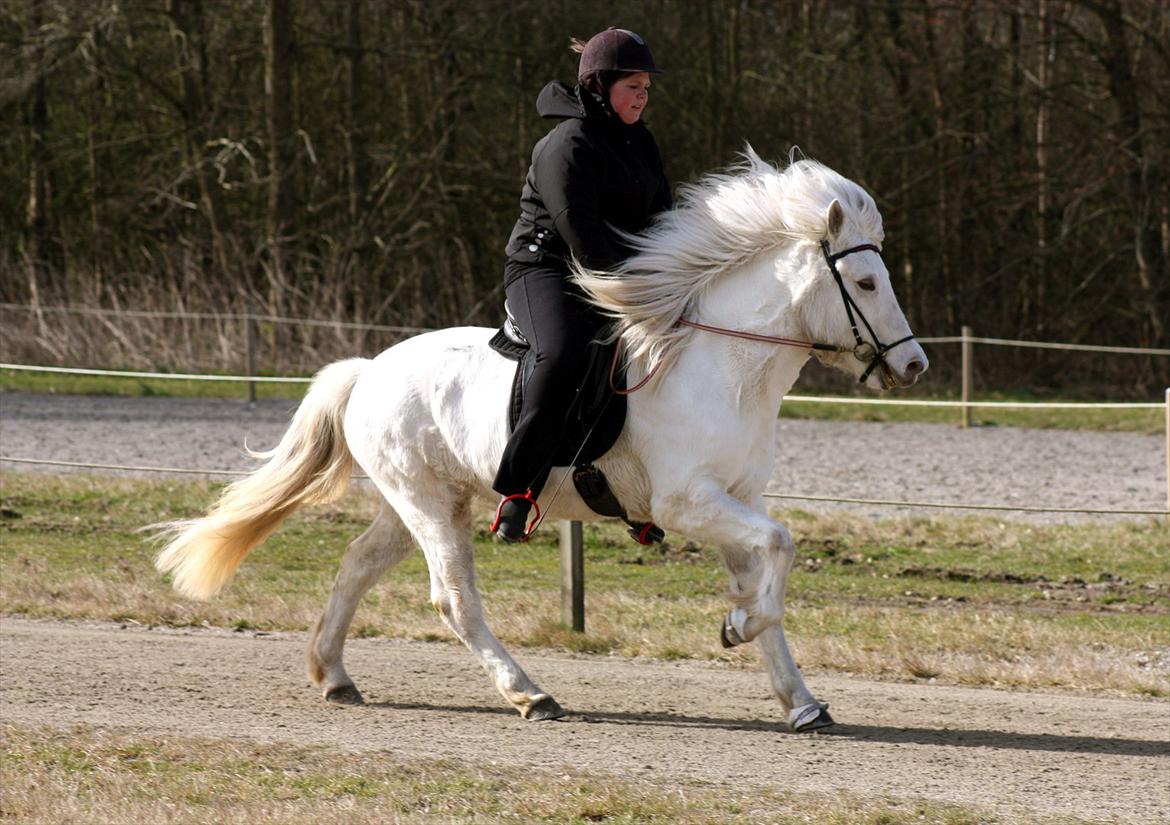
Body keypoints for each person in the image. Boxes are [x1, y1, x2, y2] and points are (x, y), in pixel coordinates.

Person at [491, 28, 673, 542]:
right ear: (599, 85)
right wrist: (641, 286)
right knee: (566, 353)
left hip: (614, 271)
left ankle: (632, 492)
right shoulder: (564, 145)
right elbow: (583, 236)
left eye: (645, 88)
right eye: (632, 86)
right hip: (547, 270)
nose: (641, 96)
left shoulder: (641, 141)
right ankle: (518, 489)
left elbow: (663, 219)